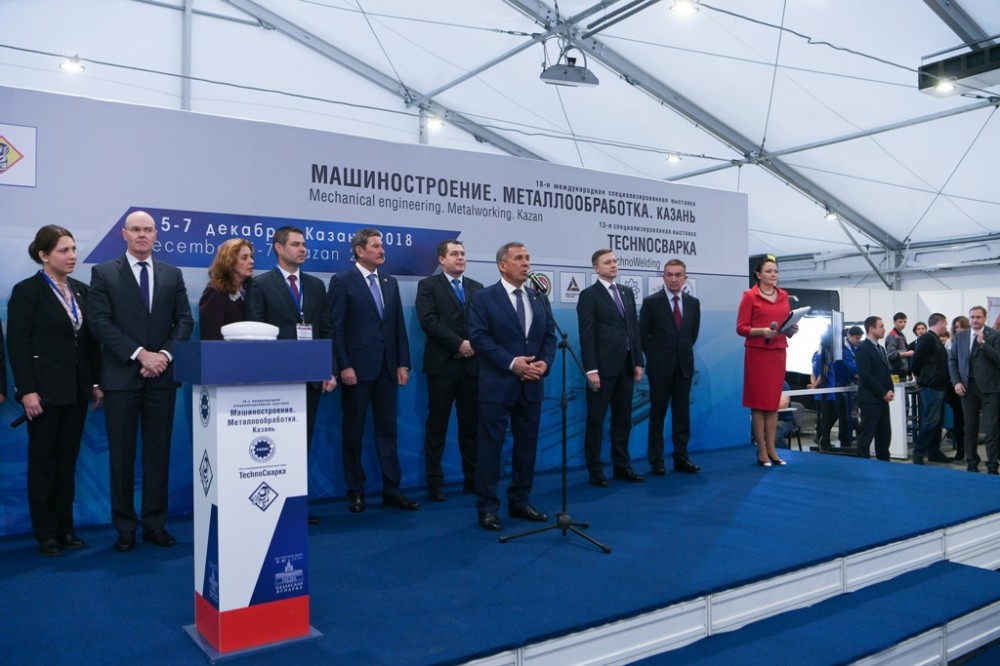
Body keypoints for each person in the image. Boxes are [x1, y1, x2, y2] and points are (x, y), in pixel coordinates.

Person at [87, 210, 193, 551]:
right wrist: (139, 354)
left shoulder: (172, 274)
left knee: (158, 454)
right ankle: (125, 528)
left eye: (148, 229)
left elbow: (184, 321)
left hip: (161, 377)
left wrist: (162, 356)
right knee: (121, 456)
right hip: (121, 378)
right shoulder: (104, 272)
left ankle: (155, 524)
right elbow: (99, 322)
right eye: (136, 229)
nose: (142, 234)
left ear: (156, 234)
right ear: (124, 234)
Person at [7, 225, 102, 555]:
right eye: (64, 250)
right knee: (43, 463)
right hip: (43, 394)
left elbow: (90, 343)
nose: (72, 256)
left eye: (73, 249)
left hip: (76, 391)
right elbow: (18, 345)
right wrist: (27, 391)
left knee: (67, 462)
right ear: (43, 255)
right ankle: (46, 532)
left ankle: (65, 528)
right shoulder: (27, 291)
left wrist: (94, 382)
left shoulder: (82, 291)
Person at [247, 226, 337, 523]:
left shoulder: (316, 285)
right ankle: (272, 506)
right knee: (276, 446)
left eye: (304, 244)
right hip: (277, 381)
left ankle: (296, 505)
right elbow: (256, 333)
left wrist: (329, 368)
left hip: (310, 379)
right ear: (278, 247)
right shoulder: (260, 285)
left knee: (301, 445)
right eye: (296, 244)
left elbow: (326, 329)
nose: (302, 249)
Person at [469, 242, 556, 531]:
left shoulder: (538, 296)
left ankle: (520, 500)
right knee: (490, 449)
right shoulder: (484, 297)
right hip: (498, 384)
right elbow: (479, 338)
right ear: (502, 265)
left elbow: (549, 336)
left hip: (532, 385)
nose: (525, 263)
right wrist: (512, 363)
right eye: (518, 258)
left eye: (528, 258)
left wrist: (543, 364)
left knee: (526, 447)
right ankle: (487, 507)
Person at [329, 228, 417, 513]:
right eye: (376, 246)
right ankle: (356, 491)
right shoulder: (343, 281)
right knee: (353, 432)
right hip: (356, 370)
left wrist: (402, 362)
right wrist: (344, 365)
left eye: (382, 246)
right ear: (359, 250)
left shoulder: (389, 282)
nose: (382, 251)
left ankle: (393, 489)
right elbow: (336, 327)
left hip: (387, 369)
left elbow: (397, 325)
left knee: (388, 431)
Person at [415, 240, 482, 501]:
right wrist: (458, 344)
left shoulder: (477, 287)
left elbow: (483, 323)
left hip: (472, 367)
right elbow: (428, 321)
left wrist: (472, 345)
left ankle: (473, 480)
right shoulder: (428, 286)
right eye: (454, 254)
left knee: (471, 428)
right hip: (442, 367)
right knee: (437, 427)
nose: (460, 258)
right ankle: (435, 484)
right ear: (442, 259)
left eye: (463, 253)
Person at [577, 249, 644, 487]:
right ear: (596, 268)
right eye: (607, 262)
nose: (613, 264)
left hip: (626, 367)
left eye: (615, 261)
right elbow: (586, 335)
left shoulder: (626, 292)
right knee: (596, 421)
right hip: (601, 370)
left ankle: (622, 466)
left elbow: (633, 329)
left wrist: (638, 362)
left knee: (623, 419)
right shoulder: (589, 295)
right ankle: (595, 470)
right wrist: (591, 369)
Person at [640, 258, 701, 475]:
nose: (673, 279)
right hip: (659, 368)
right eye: (669, 275)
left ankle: (681, 458)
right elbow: (642, 336)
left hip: (683, 367)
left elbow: (691, 335)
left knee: (682, 415)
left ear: (685, 278)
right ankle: (656, 460)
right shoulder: (651, 302)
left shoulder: (693, 303)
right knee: (657, 415)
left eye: (678, 275)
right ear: (664, 277)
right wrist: (656, 355)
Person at [736, 255, 797, 467]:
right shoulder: (749, 296)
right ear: (758, 275)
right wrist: (761, 331)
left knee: (772, 404)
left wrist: (791, 329)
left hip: (778, 352)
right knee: (758, 404)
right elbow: (741, 328)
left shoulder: (784, 296)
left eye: (776, 271)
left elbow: (785, 324)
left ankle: (772, 448)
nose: (774, 275)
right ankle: (761, 448)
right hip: (757, 353)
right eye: (769, 271)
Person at [948, 306, 1000, 473]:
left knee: (992, 429)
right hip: (967, 388)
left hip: (990, 389)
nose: (975, 320)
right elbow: (952, 360)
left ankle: (992, 464)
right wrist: (956, 382)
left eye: (978, 317)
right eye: (972, 317)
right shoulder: (961, 337)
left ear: (985, 318)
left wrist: (983, 344)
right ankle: (971, 462)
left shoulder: (994, 335)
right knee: (970, 428)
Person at [910, 313, 951, 464]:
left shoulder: (934, 339)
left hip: (937, 386)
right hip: (930, 386)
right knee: (930, 421)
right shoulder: (927, 338)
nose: (946, 327)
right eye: (945, 324)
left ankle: (933, 451)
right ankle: (919, 452)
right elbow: (916, 360)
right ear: (939, 323)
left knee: (937, 422)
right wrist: (920, 376)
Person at [855, 316, 895, 461]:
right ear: (871, 329)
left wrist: (890, 390)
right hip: (870, 399)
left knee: (884, 434)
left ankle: (884, 461)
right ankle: (863, 461)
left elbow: (884, 372)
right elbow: (866, 376)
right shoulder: (863, 349)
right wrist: (883, 393)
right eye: (881, 326)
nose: (884, 329)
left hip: (882, 399)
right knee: (867, 433)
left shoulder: (881, 349)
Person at [198, 238, 255, 340]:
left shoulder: (252, 289)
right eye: (244, 258)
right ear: (230, 262)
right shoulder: (215, 292)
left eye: (251, 256)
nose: (251, 261)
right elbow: (211, 337)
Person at [833, 326, 863, 448]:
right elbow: (850, 366)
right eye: (857, 338)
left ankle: (848, 439)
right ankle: (845, 441)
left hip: (849, 382)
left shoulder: (852, 347)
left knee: (849, 414)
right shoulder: (843, 349)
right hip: (841, 384)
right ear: (849, 336)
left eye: (860, 338)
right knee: (846, 415)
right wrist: (863, 372)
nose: (859, 341)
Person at [946, 316, 970, 460]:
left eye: (961, 326)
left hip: (971, 386)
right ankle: (960, 450)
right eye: (956, 327)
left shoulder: (971, 341)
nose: (959, 329)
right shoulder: (950, 343)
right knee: (958, 420)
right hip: (955, 386)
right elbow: (951, 364)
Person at [809, 330, 838, 452]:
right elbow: (823, 372)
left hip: (819, 392)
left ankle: (823, 439)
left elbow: (813, 373)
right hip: (827, 393)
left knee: (823, 417)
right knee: (829, 416)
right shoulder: (826, 354)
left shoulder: (816, 354)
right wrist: (815, 386)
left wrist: (813, 386)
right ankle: (822, 439)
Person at [885, 312, 913, 379]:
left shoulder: (901, 335)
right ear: (894, 322)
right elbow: (891, 355)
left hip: (903, 370)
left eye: (905, 322)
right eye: (900, 322)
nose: (903, 324)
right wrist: (907, 353)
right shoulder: (892, 335)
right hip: (896, 372)